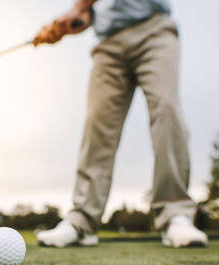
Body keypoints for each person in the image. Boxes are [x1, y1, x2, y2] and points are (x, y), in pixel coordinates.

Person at [33, 0, 208, 248]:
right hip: (108, 42)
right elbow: (88, 13)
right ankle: (82, 221)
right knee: (97, 125)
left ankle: (175, 215)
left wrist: (76, 8)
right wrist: (79, 16)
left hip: (154, 30)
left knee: (166, 110)